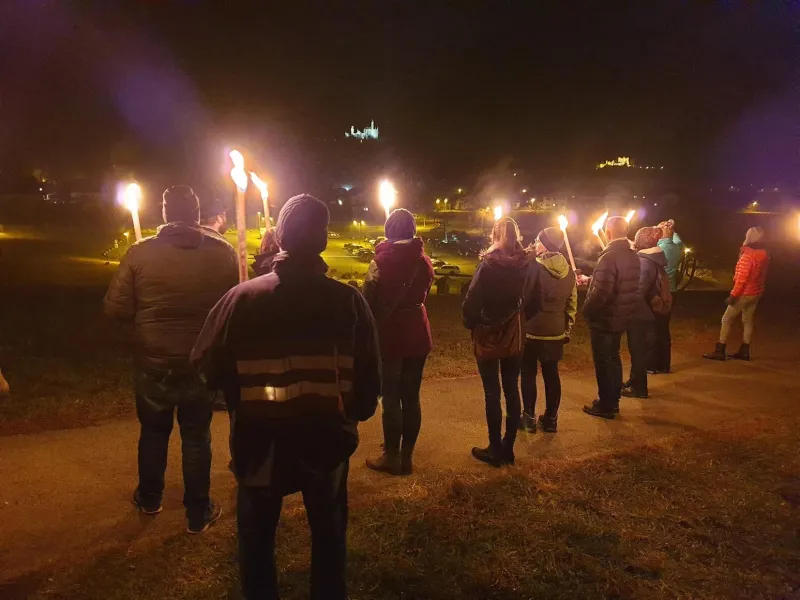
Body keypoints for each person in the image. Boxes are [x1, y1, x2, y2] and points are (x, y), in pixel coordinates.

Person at [190, 194, 381, 600]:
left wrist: (235, 397)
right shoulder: (348, 303)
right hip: (327, 441)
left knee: (256, 542)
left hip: (260, 445)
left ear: (278, 238)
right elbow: (368, 385)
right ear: (324, 240)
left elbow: (203, 364)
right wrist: (352, 415)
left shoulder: (242, 300)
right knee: (329, 537)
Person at [104, 185, 238, 533]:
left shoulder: (139, 253)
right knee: (196, 434)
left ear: (165, 214)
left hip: (155, 363)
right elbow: (233, 308)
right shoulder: (224, 254)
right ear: (195, 213)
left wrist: (140, 323)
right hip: (200, 362)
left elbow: (115, 308)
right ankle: (198, 510)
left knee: (153, 431)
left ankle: (150, 497)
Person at [364, 209, 435, 476]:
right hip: (418, 334)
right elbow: (425, 292)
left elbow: (367, 301)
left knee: (391, 397)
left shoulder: (379, 263)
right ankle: (406, 457)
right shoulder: (425, 262)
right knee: (411, 396)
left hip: (391, 336)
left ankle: (392, 456)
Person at [463, 216, 529, 466]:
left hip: (489, 332)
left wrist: (472, 322)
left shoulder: (488, 265)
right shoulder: (526, 264)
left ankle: (494, 447)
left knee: (493, 391)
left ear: (494, 236)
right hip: (514, 333)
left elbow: (471, 301)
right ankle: (508, 448)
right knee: (512, 388)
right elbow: (531, 297)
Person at [582, 216, 640, 419]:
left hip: (605, 318)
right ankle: (613, 400)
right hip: (621, 316)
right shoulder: (633, 255)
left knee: (604, 362)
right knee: (614, 359)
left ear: (607, 233)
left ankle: (606, 404)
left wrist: (586, 311)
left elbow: (601, 292)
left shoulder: (609, 257)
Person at [519, 227, 576, 434]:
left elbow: (525, 299)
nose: (535, 242)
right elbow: (572, 303)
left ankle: (528, 417)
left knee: (528, 373)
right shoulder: (569, 270)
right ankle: (551, 419)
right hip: (556, 331)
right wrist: (566, 328)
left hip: (532, 330)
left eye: (538, 240)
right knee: (552, 374)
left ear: (546, 244)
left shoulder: (534, 268)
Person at [703, 227, 769, 362]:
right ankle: (745, 350)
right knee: (748, 320)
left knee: (726, 319)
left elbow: (742, 278)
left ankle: (720, 350)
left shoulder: (748, 255)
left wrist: (733, 295)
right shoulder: (764, 255)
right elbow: (763, 275)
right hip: (756, 292)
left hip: (744, 293)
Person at [622, 227, 667, 399]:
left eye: (637, 238)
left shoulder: (645, 263)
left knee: (638, 351)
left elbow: (638, 292)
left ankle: (639, 388)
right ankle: (634, 381)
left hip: (640, 314)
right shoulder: (651, 258)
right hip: (645, 312)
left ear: (643, 241)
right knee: (637, 350)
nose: (634, 240)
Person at [651, 219, 683, 374]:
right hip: (672, 291)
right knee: (663, 328)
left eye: (657, 230)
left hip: (660, 291)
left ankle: (655, 363)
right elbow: (677, 239)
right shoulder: (677, 247)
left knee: (655, 328)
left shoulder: (659, 249)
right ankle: (664, 364)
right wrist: (671, 228)